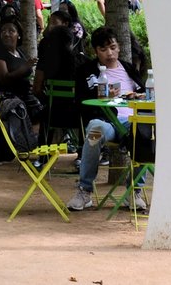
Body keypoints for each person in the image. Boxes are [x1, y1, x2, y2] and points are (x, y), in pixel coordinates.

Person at [66, 27, 147, 213]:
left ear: (119, 47)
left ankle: (134, 191)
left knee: (146, 130)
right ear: (96, 51)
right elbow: (80, 101)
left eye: (112, 47)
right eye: (103, 49)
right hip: (106, 122)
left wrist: (136, 96)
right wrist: (102, 95)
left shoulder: (128, 68)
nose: (109, 53)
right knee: (95, 129)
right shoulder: (86, 71)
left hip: (132, 120)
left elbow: (145, 94)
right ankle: (84, 190)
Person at [0, 18, 38, 164]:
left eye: (11, 31)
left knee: (44, 106)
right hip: (2, 95)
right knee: (15, 109)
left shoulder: (20, 52)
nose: (6, 34)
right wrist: (25, 68)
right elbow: (4, 79)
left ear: (18, 35)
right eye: (3, 31)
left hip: (23, 93)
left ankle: (35, 144)